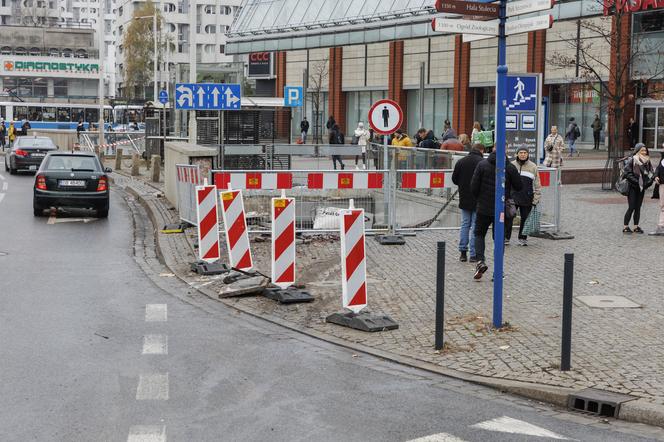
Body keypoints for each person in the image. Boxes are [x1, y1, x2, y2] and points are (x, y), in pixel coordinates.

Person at [470, 146, 523, 279]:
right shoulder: (510, 167)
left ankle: (480, 260)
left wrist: (480, 199)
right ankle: (498, 271)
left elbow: (473, 187)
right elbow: (519, 186)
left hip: (483, 208)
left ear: (492, 150)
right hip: (501, 209)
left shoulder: (482, 165)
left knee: (479, 234)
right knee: (498, 238)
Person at [452, 142, 485, 262]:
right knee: (475, 226)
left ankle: (462, 252)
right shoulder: (482, 163)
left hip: (464, 197)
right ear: (481, 150)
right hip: (478, 199)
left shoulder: (461, 161)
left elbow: (454, 179)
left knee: (465, 224)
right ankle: (473, 254)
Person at [506, 147, 542, 246]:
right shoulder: (511, 165)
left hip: (527, 197)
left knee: (525, 219)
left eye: (525, 153)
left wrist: (536, 198)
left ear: (528, 154)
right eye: (521, 153)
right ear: (517, 154)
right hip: (512, 197)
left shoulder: (533, 167)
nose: (522, 154)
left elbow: (537, 184)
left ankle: (522, 238)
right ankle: (506, 237)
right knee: (508, 218)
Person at [622, 143, 654, 233]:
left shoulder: (647, 161)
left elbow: (651, 173)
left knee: (638, 207)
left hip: (641, 188)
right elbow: (627, 173)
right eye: (642, 150)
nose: (644, 152)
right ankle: (625, 227)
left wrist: (648, 183)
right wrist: (637, 182)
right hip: (633, 187)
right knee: (631, 207)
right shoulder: (633, 160)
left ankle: (636, 227)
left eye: (645, 150)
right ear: (637, 150)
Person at [649, 150, 664, 236]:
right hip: (662, 185)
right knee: (662, 206)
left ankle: (661, 226)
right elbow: (658, 168)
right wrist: (656, 176)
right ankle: (661, 226)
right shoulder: (662, 159)